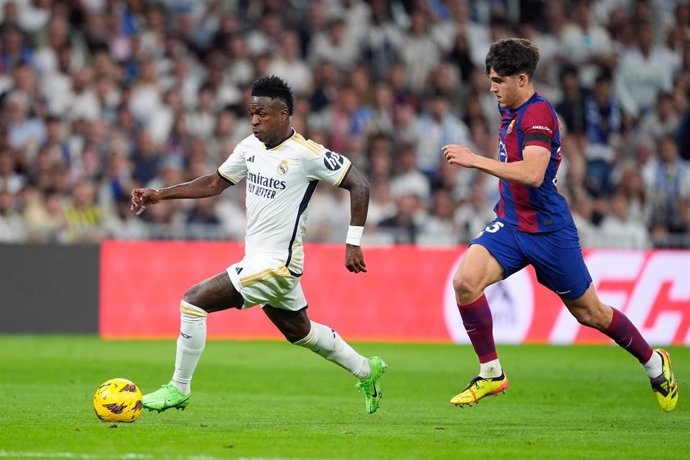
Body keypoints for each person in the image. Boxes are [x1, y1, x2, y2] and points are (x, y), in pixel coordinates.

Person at [441, 38, 678, 412]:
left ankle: (654, 362)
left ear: (522, 79)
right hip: (512, 224)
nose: (492, 88)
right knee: (464, 282)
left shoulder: (538, 115)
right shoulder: (510, 109)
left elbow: (534, 174)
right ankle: (491, 373)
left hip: (549, 232)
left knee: (591, 314)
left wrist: (475, 160)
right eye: (490, 79)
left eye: (498, 80)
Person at [130, 76, 387, 414]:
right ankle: (367, 370)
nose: (254, 120)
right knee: (302, 333)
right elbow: (214, 182)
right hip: (260, 261)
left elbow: (359, 183)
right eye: (252, 113)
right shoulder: (249, 147)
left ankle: (178, 388)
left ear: (283, 115)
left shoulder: (306, 154)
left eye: (262, 114)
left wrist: (352, 242)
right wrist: (161, 194)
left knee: (193, 302)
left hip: (277, 265)